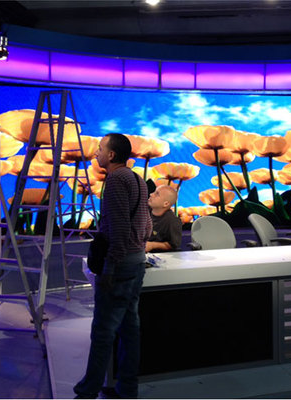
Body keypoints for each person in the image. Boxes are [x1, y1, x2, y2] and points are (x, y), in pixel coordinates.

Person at [74, 134, 152, 399]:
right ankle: (127, 389)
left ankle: (88, 391)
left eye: (100, 149)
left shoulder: (116, 180)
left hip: (120, 265)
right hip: (137, 261)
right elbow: (147, 226)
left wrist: (109, 267)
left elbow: (118, 230)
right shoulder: (138, 180)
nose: (96, 153)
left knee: (103, 330)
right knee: (130, 328)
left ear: (111, 155)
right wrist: (137, 248)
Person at [146, 185, 182, 252]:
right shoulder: (144, 211)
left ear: (166, 204)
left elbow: (173, 245)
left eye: (157, 194)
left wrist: (152, 245)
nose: (151, 194)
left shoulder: (172, 221)